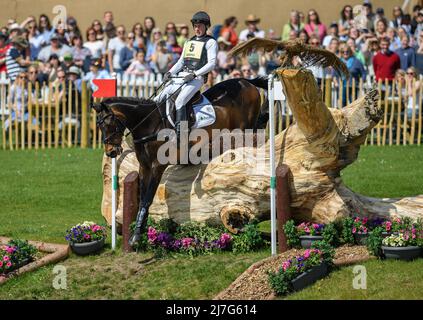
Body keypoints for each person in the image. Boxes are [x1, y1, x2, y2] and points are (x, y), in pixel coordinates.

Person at [154, 11, 218, 142]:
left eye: (200, 26)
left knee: (180, 101)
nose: (197, 28)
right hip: (182, 76)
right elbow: (181, 62)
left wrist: (195, 74)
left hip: (196, 79)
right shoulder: (189, 42)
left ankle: (180, 135)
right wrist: (170, 73)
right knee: (159, 97)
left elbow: (212, 64)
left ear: (206, 26)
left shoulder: (211, 42)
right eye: (195, 26)